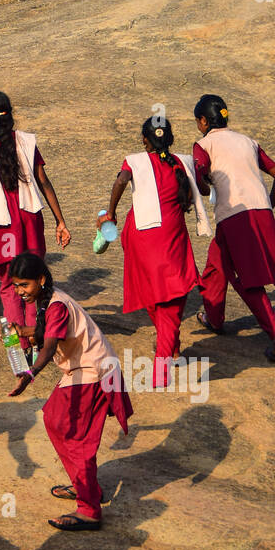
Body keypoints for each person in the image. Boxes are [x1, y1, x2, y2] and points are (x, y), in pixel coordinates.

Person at [7, 252, 133, 531]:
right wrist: (23, 332)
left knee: (75, 437)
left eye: (24, 285)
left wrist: (29, 375)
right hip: (84, 370)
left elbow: (50, 345)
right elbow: (45, 332)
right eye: (16, 286)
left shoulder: (56, 305)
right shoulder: (48, 299)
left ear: (40, 280)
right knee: (56, 421)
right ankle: (84, 487)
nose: (20, 292)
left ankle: (89, 509)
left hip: (93, 372)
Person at [101, 117, 209, 387]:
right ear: (170, 139)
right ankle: (163, 366)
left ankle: (169, 343)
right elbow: (205, 190)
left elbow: (121, 181)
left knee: (153, 291)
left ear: (145, 140)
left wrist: (110, 213)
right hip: (170, 236)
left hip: (139, 234)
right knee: (174, 295)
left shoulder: (134, 161)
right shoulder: (183, 162)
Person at [0, 90, 70, 350]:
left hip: (0, 224)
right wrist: (60, 221)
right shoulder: (26, 141)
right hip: (29, 219)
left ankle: (17, 345)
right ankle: (36, 339)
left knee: (8, 285)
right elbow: (43, 181)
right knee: (32, 282)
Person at [192, 94, 275, 362]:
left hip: (234, 216)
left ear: (203, 121)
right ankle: (214, 318)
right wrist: (267, 205)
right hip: (260, 212)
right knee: (215, 263)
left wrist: (204, 184)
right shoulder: (249, 141)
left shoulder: (203, 145)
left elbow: (199, 181)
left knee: (247, 279)